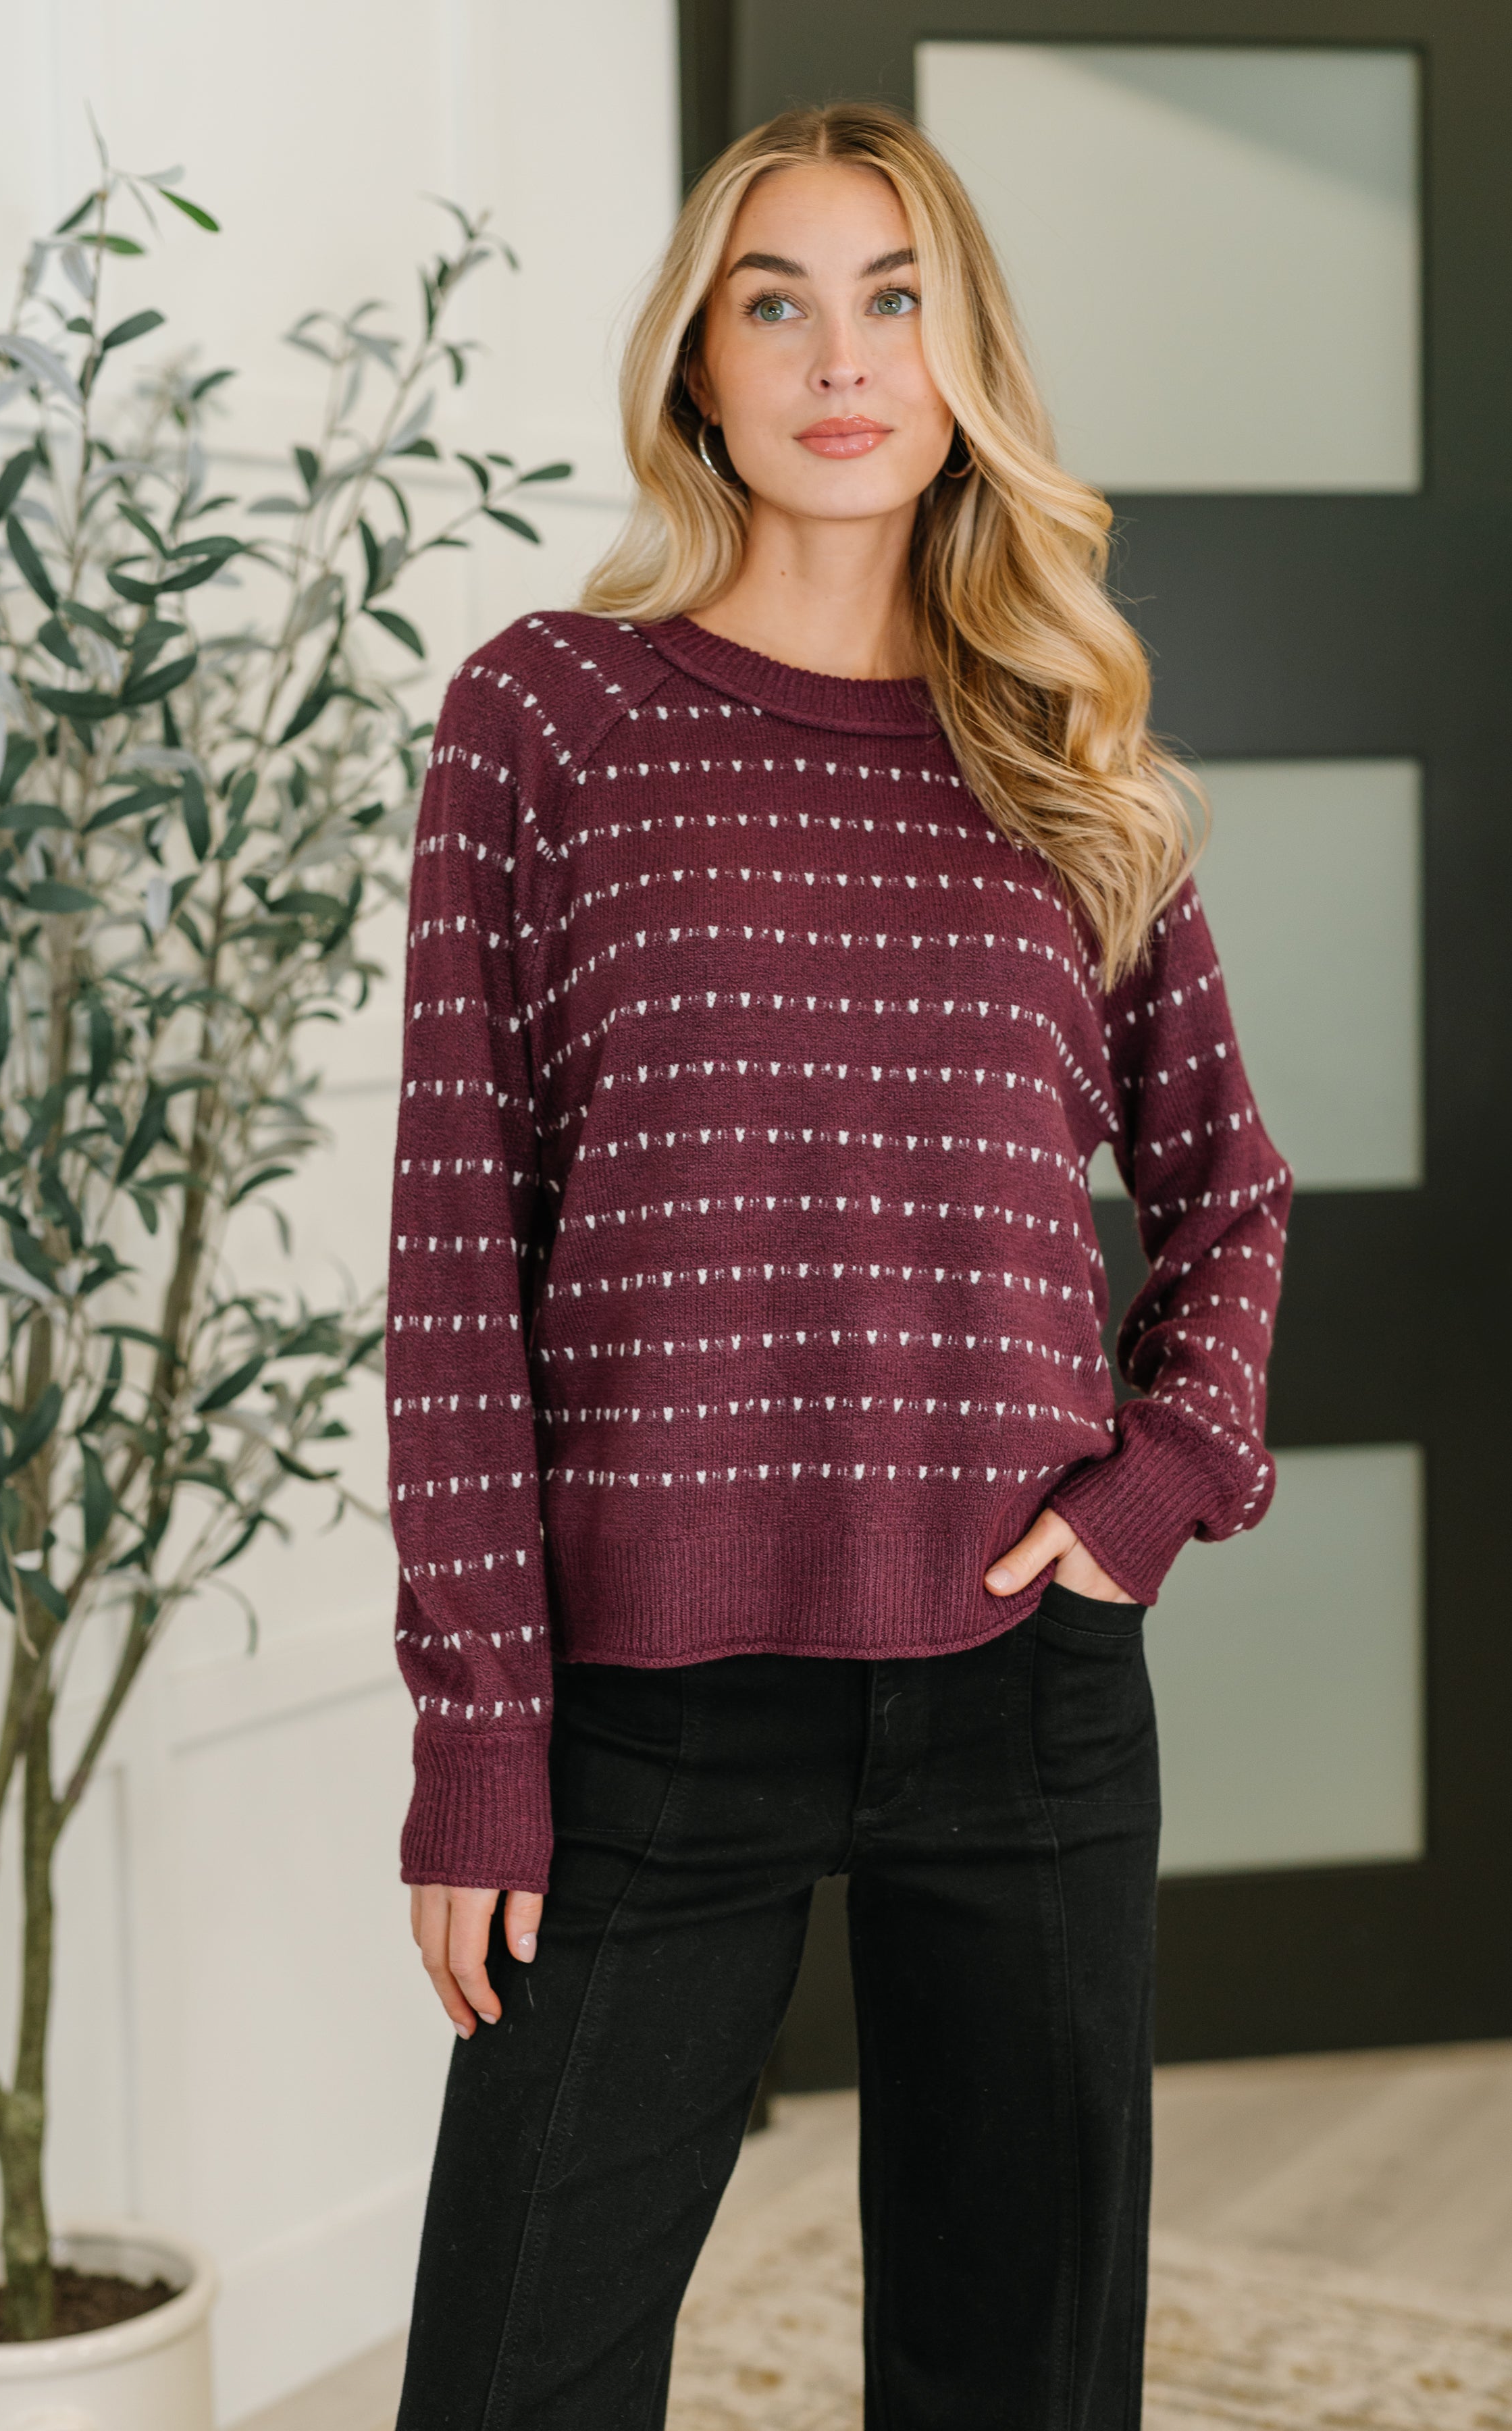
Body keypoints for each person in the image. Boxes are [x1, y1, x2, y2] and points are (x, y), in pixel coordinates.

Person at [386, 100, 1291, 2431]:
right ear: (698, 364)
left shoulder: (1060, 752)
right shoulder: (544, 717)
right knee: (511, 2377)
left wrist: (1146, 1494)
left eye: (892, 298)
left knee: (1020, 2382)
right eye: (771, 302)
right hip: (651, 1702)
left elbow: (1227, 1194)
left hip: (1018, 1686)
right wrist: (480, 1738)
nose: (836, 356)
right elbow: (457, 1257)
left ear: (961, 353)